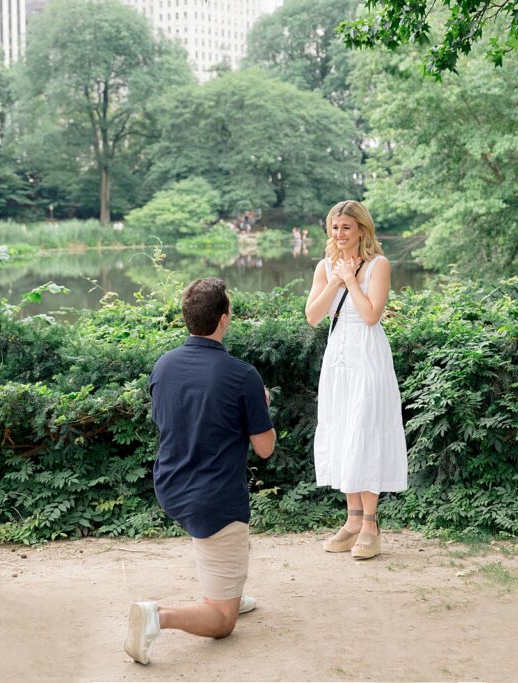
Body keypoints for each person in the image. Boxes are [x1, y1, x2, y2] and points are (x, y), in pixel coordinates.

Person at [124, 277, 276, 665]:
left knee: (222, 543)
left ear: (188, 318)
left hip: (171, 485)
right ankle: (158, 616)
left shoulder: (165, 365)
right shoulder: (243, 376)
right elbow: (265, 448)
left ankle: (230, 590)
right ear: (224, 319)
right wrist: (261, 406)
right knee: (223, 621)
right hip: (214, 501)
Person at [304, 200, 408, 560]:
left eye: (346, 227)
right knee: (344, 431)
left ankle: (370, 525)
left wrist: (351, 278)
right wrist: (335, 278)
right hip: (338, 358)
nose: (339, 234)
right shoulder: (324, 265)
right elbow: (313, 316)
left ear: (362, 229)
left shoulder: (379, 265)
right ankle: (350, 521)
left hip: (367, 356)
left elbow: (370, 315)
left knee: (365, 430)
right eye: (334, 227)